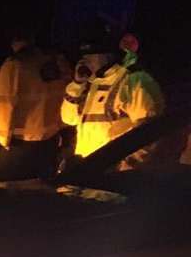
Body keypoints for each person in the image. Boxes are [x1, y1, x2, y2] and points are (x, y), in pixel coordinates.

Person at [61, 29, 165, 162]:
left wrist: (125, 168)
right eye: (83, 56)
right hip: (87, 170)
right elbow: (69, 119)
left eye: (90, 55)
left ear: (109, 55)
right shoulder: (92, 83)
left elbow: (151, 133)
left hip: (112, 175)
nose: (84, 61)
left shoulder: (135, 81)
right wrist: (76, 84)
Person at [0, 27, 70, 180]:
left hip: (19, 145)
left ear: (14, 42)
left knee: (13, 192)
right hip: (51, 140)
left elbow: (4, 105)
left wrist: (0, 140)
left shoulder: (14, 65)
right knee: (43, 188)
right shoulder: (57, 62)